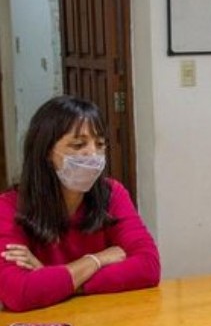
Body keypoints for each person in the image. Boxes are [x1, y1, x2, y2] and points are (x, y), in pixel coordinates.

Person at [0, 96, 160, 312]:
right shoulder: (8, 207)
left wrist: (56, 279)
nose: (92, 154)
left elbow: (148, 267)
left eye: (100, 144)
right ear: (46, 151)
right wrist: (97, 260)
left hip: (102, 323)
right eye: (78, 144)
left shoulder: (112, 193)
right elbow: (18, 293)